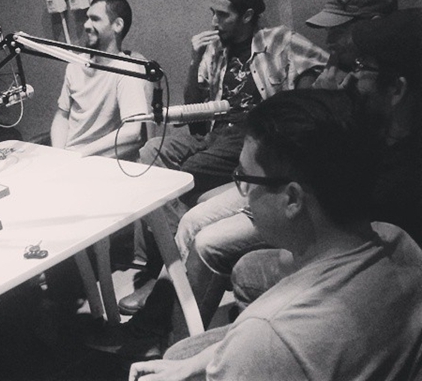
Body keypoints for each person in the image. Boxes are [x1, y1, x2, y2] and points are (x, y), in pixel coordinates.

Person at [129, 90, 422, 381]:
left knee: (175, 353)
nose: (244, 194)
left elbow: (266, 345)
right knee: (182, 357)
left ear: (292, 199)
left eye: (244, 178)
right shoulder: (398, 242)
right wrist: (192, 365)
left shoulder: (268, 336)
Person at [118, 0, 327, 314]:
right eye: (212, 13)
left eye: (223, 15)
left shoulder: (279, 40)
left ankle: (172, 273)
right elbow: (195, 117)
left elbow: (324, 68)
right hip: (214, 130)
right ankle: (172, 263)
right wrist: (193, 60)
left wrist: (292, 105)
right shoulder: (215, 49)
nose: (214, 22)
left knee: (182, 174)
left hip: (250, 134)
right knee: (149, 153)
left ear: (247, 16)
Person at [231, 7, 422, 311]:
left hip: (371, 293)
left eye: (363, 66)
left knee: (248, 268)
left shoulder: (398, 180)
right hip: (357, 255)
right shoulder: (383, 134)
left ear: (396, 89)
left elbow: (338, 245)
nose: (351, 79)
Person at [51, 0, 149, 159]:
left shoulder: (126, 70)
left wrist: (79, 154)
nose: (86, 25)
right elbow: (62, 115)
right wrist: (58, 154)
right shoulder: (75, 65)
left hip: (99, 159)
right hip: (68, 158)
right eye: (87, 18)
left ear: (117, 25)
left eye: (95, 19)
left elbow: (132, 131)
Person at [305, 0, 398, 89]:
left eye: (339, 31)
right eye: (328, 31)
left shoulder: (398, 77)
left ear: (375, 26)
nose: (328, 41)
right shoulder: (339, 71)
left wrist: (333, 97)